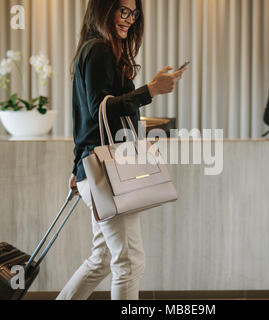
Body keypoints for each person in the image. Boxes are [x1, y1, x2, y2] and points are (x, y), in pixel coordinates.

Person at [57, 0, 186, 300]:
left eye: (134, 13)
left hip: (97, 172)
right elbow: (101, 109)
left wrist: (77, 168)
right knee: (128, 263)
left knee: (102, 259)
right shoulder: (100, 49)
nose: (129, 19)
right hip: (108, 175)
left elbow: (85, 119)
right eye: (122, 11)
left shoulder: (94, 48)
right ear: (104, 9)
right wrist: (151, 90)